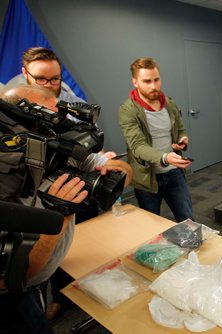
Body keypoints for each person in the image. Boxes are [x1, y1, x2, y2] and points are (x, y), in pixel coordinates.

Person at [0, 85, 131, 333]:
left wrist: (113, 171)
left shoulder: (57, 145)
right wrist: (59, 214)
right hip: (16, 290)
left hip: (49, 268)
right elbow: (23, 273)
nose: (54, 130)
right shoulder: (6, 177)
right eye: (45, 123)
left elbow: (122, 171)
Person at [118, 57, 194, 221]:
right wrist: (164, 157)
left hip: (174, 172)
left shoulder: (169, 104)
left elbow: (180, 129)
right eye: (147, 81)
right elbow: (137, 146)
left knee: (187, 219)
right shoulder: (128, 110)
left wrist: (182, 139)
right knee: (152, 224)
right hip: (147, 177)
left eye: (156, 80)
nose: (153, 86)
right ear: (135, 82)